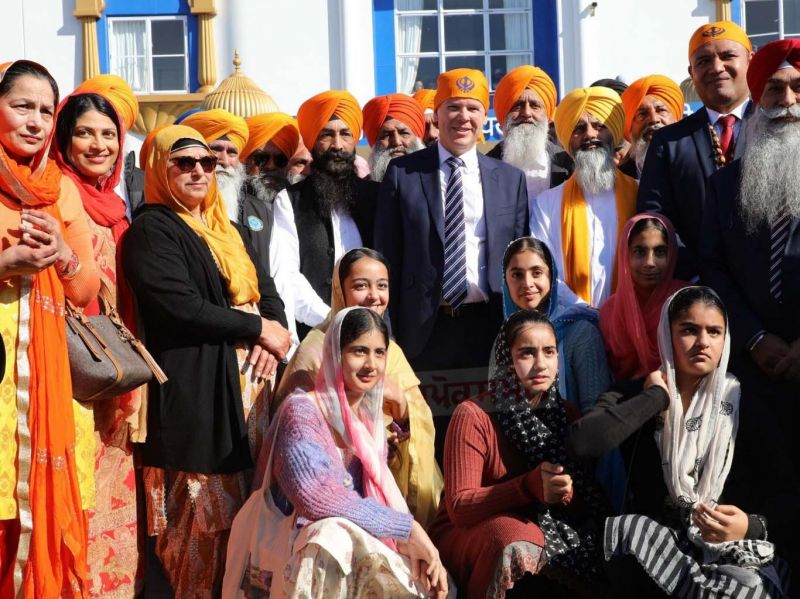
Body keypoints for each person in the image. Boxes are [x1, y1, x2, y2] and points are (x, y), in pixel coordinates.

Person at [122, 125, 291, 596]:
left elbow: (269, 293)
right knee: (196, 540)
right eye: (183, 162)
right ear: (159, 168)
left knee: (248, 533)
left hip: (251, 401)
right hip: (198, 400)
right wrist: (256, 328)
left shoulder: (228, 228)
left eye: (207, 163)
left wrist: (268, 335)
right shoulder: (151, 230)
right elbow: (179, 306)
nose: (198, 171)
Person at [570, 287, 797, 597]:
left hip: (734, 552)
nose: (703, 342)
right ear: (667, 333)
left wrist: (749, 526)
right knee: (628, 530)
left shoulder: (747, 404)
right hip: (658, 551)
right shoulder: (636, 394)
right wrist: (657, 398)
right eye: (689, 330)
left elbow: (788, 494)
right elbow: (584, 442)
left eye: (714, 331)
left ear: (725, 339)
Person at [262, 307, 450, 598]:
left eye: (379, 352)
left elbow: (365, 504)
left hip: (351, 553)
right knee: (328, 535)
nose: (371, 364)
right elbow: (317, 497)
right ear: (335, 353)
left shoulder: (368, 421)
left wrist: (407, 540)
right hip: (300, 558)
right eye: (359, 351)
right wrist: (407, 530)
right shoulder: (301, 412)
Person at [0, 59, 100, 597]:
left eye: (45, 110)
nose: (36, 120)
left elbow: (85, 290)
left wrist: (62, 253)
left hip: (47, 372)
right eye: (22, 106)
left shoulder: (60, 189)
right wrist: (5, 265)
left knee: (39, 511)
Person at [429, 310, 609, 598]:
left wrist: (565, 493)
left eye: (549, 352)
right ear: (506, 360)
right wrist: (528, 487)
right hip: (468, 535)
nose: (541, 364)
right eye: (527, 353)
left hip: (544, 529)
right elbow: (461, 507)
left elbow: (585, 507)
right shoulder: (475, 415)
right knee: (513, 538)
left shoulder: (566, 416)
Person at [375, 68, 528, 373]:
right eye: (453, 107)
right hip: (423, 331)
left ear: (484, 117)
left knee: (487, 420)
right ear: (438, 114)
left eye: (473, 108)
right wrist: (386, 331)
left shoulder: (510, 180)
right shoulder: (403, 174)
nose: (463, 117)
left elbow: (519, 258)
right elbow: (386, 258)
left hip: (490, 327)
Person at [276, 248, 443, 527]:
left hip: (387, 484)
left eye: (382, 286)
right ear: (340, 291)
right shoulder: (316, 351)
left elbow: (417, 419)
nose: (374, 296)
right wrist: (362, 439)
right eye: (360, 286)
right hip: (332, 498)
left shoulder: (392, 351)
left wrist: (400, 411)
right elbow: (299, 435)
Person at [52, 87, 143, 598]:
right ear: (66, 139)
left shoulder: (116, 203)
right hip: (75, 369)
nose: (98, 144)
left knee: (118, 497)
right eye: (85, 132)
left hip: (120, 369)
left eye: (108, 134)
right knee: (80, 491)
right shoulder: (59, 192)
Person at [702, 38, 800, 483]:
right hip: (752, 370)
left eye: (798, 89)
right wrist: (755, 337)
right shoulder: (725, 186)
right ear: (757, 100)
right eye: (774, 91)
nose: (787, 102)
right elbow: (714, 269)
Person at [638, 21, 753, 278]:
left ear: (750, 59)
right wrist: (699, 274)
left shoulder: (776, 128)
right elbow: (656, 220)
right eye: (703, 61)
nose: (716, 68)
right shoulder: (669, 141)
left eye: (727, 56)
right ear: (692, 72)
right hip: (698, 287)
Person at [272, 91, 379, 339]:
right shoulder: (289, 200)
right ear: (311, 143)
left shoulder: (376, 197)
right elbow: (286, 274)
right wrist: (332, 320)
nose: (337, 146)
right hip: (315, 333)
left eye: (345, 134)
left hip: (375, 333)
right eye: (326, 135)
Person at [531, 86, 639, 307]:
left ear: (614, 134)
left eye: (599, 126)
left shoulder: (640, 193)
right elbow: (542, 270)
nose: (590, 134)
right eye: (579, 128)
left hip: (632, 321)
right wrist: (584, 312)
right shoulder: (546, 203)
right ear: (567, 140)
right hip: (570, 324)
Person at [501, 237, 609, 412]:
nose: (527, 283)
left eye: (537, 273)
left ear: (551, 277)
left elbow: (596, 414)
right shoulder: (504, 337)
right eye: (517, 275)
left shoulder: (580, 333)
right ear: (505, 282)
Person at [600, 214, 686, 381]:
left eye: (660, 252)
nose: (649, 262)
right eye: (639, 252)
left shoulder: (686, 301)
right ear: (625, 254)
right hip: (623, 402)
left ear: (672, 254)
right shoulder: (609, 311)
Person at [487, 65, 573, 201]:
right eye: (517, 105)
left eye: (535, 106)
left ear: (547, 114)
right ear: (504, 113)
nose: (526, 113)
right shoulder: (485, 168)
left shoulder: (568, 167)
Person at [618, 75, 683, 179]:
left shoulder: (695, 164)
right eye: (642, 114)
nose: (653, 119)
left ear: (676, 118)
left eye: (661, 110)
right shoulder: (621, 180)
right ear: (630, 128)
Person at [362, 93, 425, 182]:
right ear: (375, 142)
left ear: (417, 138)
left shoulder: (436, 184)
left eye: (404, 133)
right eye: (387, 135)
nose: (397, 142)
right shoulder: (361, 192)